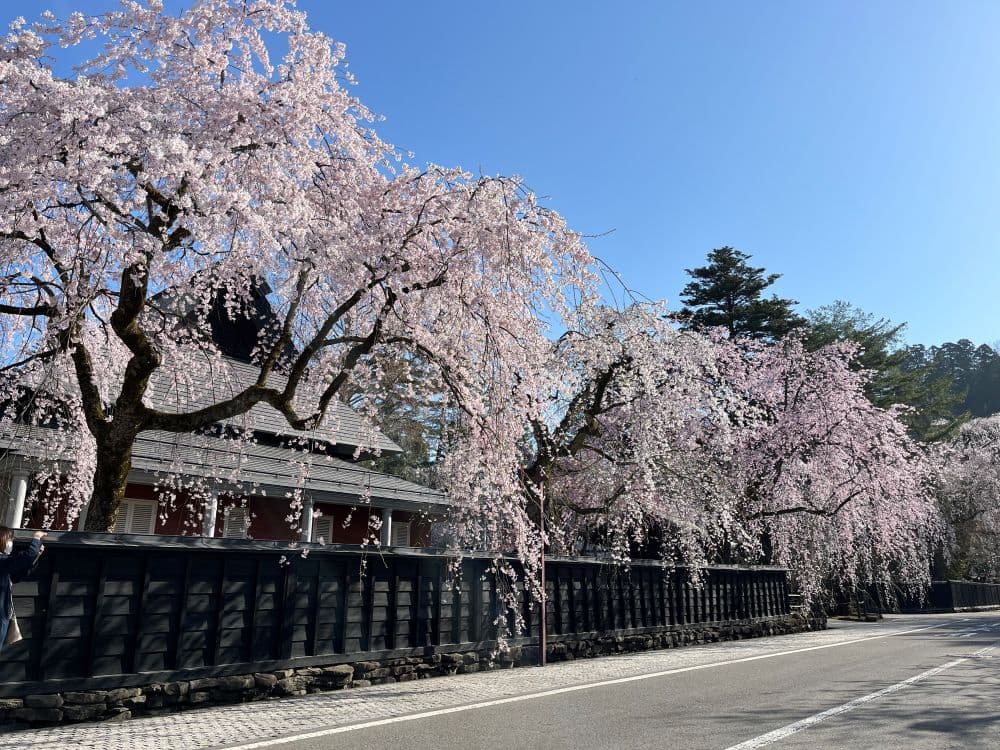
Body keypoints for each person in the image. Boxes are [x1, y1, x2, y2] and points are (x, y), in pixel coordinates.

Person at [0, 526, 45, 652]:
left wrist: (36, 556)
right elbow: (27, 556)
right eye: (10, 539)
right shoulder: (2, 561)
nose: (11, 543)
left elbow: (16, 576)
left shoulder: (4, 563)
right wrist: (36, 538)